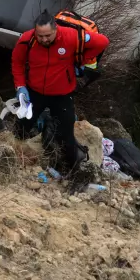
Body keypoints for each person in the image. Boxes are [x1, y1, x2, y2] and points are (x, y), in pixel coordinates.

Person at [11, 11, 109, 171]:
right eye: (40, 36)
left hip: (62, 95)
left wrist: (82, 59)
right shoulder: (27, 39)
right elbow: (17, 62)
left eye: (48, 36)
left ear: (55, 29)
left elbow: (102, 42)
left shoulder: (70, 36)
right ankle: (12, 158)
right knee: (21, 126)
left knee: (66, 136)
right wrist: (20, 86)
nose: (44, 39)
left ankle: (72, 172)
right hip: (35, 93)